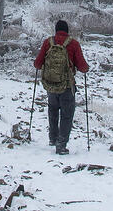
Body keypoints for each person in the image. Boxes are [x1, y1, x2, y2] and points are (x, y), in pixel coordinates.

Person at [33, 19, 89, 154]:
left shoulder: (48, 42)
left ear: (56, 30)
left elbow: (37, 64)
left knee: (52, 110)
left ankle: (53, 138)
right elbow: (82, 67)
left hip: (51, 85)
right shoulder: (74, 44)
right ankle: (61, 144)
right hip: (67, 86)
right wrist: (86, 68)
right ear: (67, 31)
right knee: (67, 115)